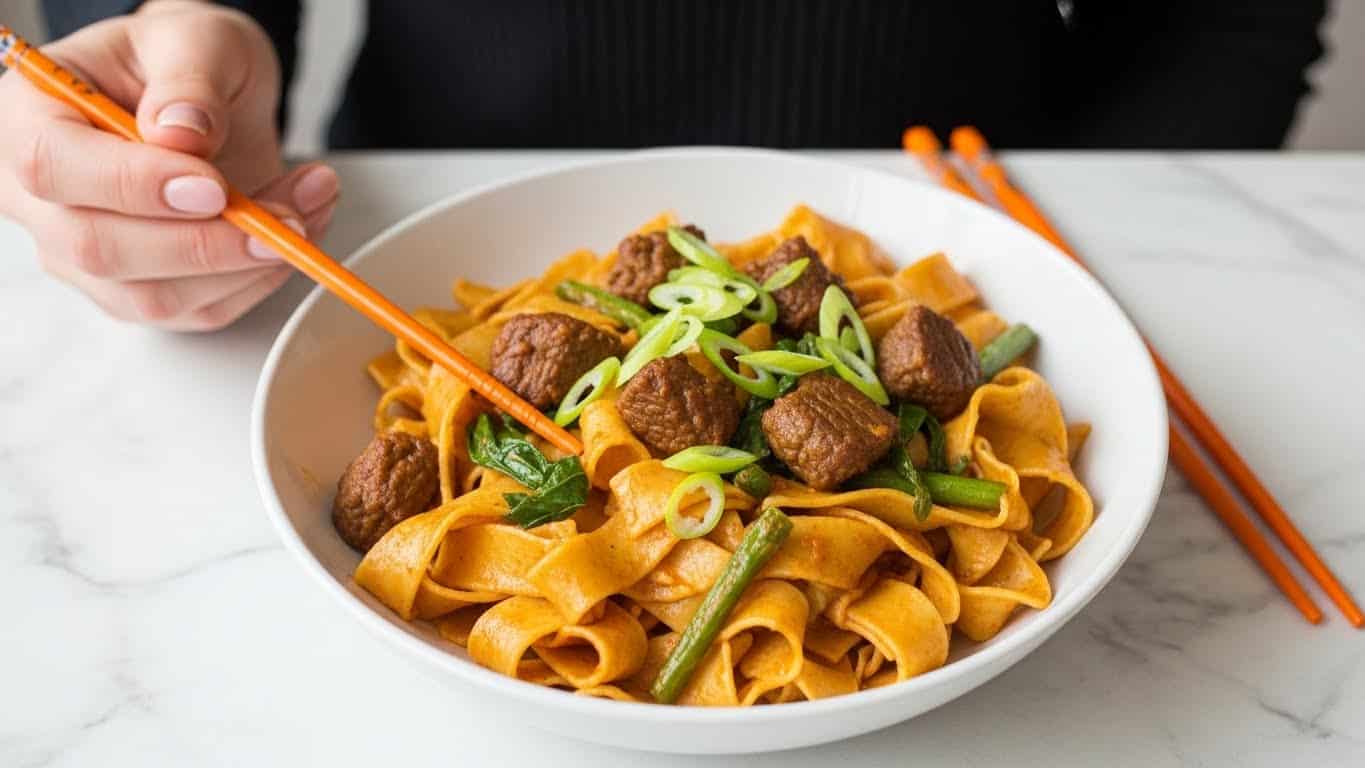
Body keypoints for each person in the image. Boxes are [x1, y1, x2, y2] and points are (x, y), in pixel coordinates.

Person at [2, 1, 1326, 331]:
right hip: (407, 225)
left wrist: (1080, 253)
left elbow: (1219, 17)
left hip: (982, 211)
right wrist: (191, 29)